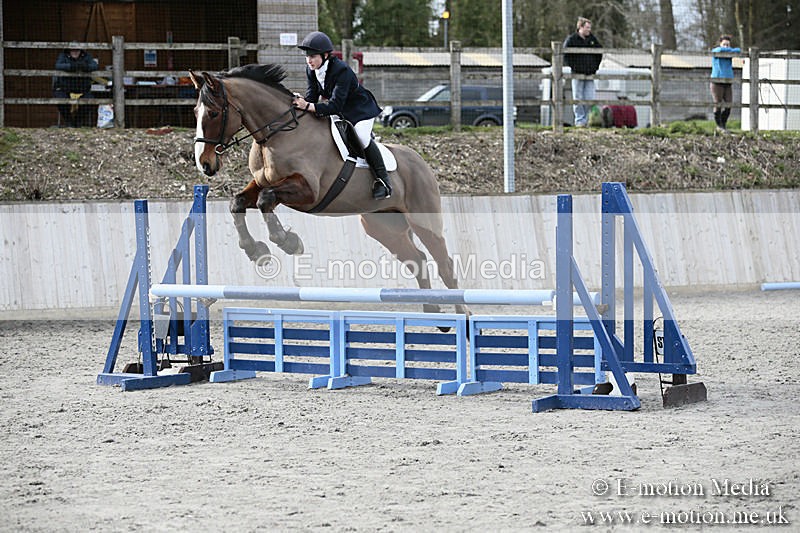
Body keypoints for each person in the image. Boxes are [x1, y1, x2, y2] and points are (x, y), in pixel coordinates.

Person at [292, 31, 391, 200]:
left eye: (313, 56)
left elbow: (335, 104)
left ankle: (383, 182)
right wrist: (301, 101)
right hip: (340, 110)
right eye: (307, 56)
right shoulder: (311, 70)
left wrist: (308, 106)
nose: (309, 60)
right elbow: (312, 97)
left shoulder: (341, 70)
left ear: (325, 55)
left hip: (360, 110)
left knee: (361, 137)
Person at [563, 17, 603, 127]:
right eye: (587, 27)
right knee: (578, 97)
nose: (589, 30)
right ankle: (580, 120)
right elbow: (566, 55)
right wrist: (574, 66)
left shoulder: (593, 40)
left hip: (590, 73)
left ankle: (586, 119)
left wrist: (595, 67)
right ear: (580, 27)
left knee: (589, 97)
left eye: (590, 28)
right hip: (577, 73)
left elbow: (599, 52)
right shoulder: (572, 39)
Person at [52, 46, 99, 127]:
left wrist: (85, 67)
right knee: (60, 98)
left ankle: (78, 121)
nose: (75, 52)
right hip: (65, 88)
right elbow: (58, 65)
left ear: (81, 51)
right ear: (69, 51)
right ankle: (69, 121)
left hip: (83, 89)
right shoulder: (63, 56)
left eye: (77, 50)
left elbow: (94, 66)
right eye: (73, 50)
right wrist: (71, 66)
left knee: (90, 100)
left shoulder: (86, 56)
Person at [710, 35, 741, 131]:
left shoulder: (729, 53)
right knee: (718, 103)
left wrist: (729, 50)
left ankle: (723, 124)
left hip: (728, 81)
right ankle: (718, 125)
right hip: (717, 81)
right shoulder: (717, 52)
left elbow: (738, 50)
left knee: (729, 104)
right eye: (724, 44)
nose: (726, 47)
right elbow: (717, 51)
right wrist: (726, 50)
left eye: (728, 45)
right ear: (720, 44)